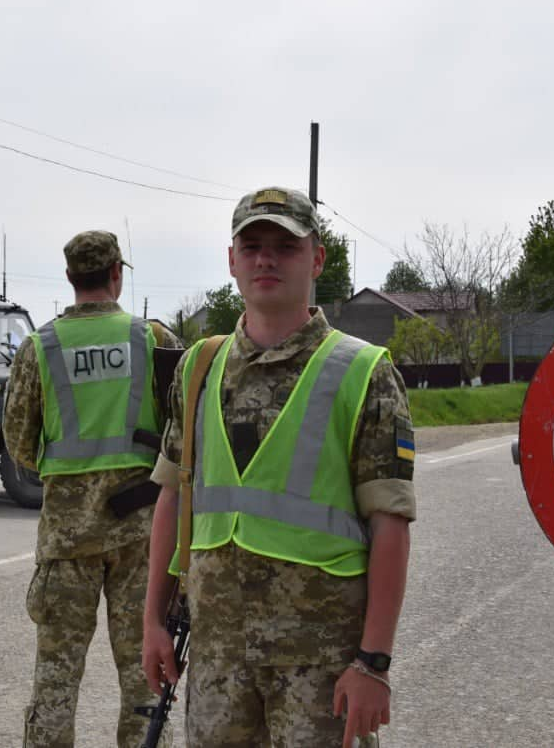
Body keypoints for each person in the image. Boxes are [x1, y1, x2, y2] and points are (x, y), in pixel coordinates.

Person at [142, 188, 416, 747]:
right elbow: (173, 498)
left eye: (284, 247)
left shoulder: (362, 372)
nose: (266, 259)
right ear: (232, 261)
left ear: (316, 259)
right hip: (218, 655)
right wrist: (152, 620)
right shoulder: (199, 367)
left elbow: (390, 522)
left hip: (320, 661)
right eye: (253, 246)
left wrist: (374, 662)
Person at [3, 230, 181, 748]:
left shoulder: (40, 347)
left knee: (56, 682)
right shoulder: (153, 340)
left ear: (69, 278)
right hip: (143, 537)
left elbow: (18, 441)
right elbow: (186, 428)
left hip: (66, 539)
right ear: (116, 275)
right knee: (146, 678)